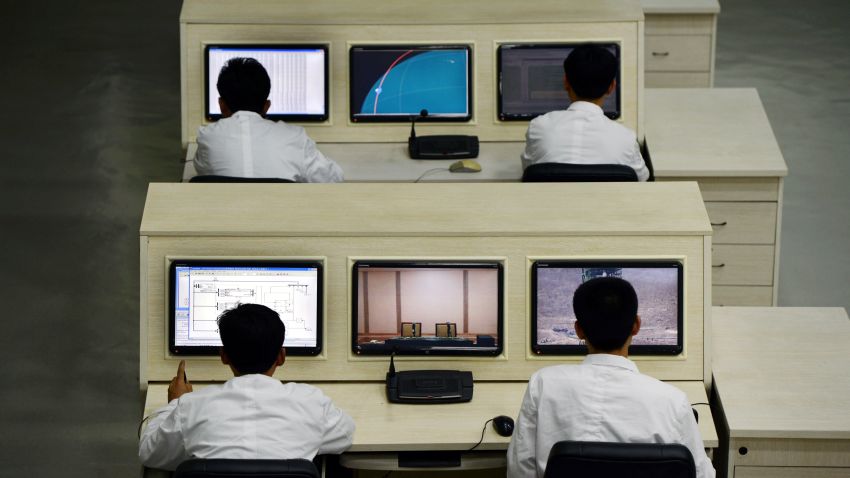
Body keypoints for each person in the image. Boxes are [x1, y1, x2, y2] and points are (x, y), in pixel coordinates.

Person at [506, 277, 714, 478]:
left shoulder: (542, 385)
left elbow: (520, 469)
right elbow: (702, 474)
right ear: (636, 325)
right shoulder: (673, 401)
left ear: (578, 330)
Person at [139, 303, 354, 470]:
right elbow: (345, 435)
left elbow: (149, 452)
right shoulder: (311, 402)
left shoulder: (190, 407)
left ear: (223, 356)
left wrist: (174, 404)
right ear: (281, 357)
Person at [195, 57, 344, 182]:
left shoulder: (207, 136)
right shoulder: (296, 138)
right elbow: (334, 178)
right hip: (281, 216)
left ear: (221, 105)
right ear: (267, 106)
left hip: (225, 216)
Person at [520, 44, 650, 181]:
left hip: (551, 202)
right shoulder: (626, 138)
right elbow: (642, 179)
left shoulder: (539, 127)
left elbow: (528, 169)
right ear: (611, 87)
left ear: (566, 82)